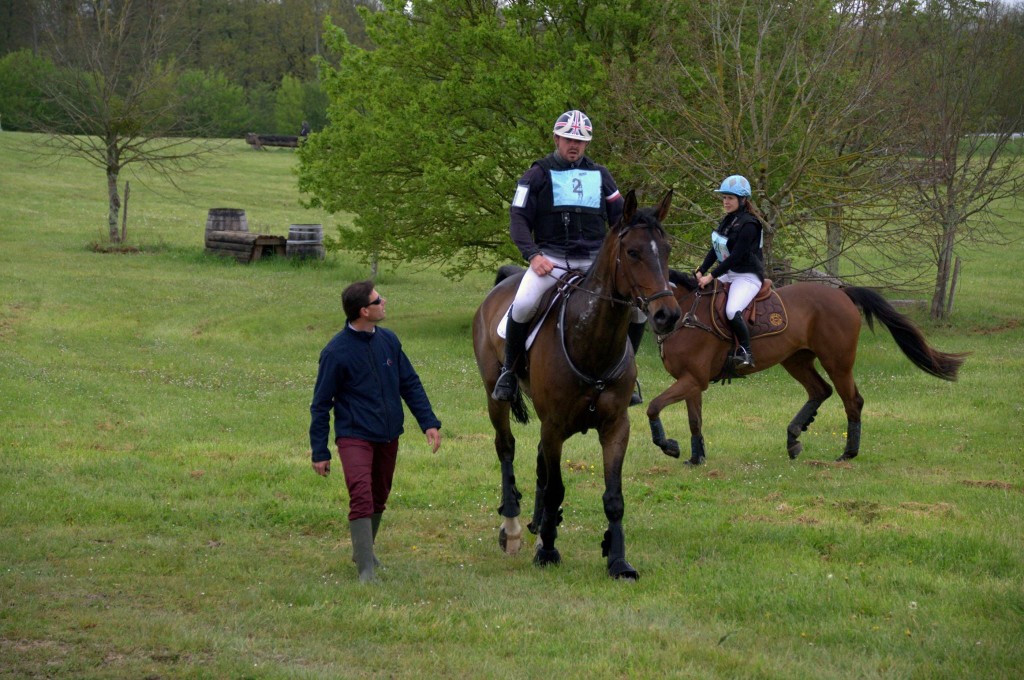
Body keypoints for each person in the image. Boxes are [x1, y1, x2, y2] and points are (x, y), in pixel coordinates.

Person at [492, 109, 647, 404]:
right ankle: (509, 373)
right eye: (567, 139)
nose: (573, 145)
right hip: (550, 261)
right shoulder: (537, 174)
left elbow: (621, 217)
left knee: (637, 311)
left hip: (594, 262)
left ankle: (628, 374)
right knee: (523, 304)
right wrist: (533, 255)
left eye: (580, 141)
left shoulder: (601, 175)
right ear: (556, 139)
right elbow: (518, 219)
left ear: (587, 144)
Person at [309, 280, 442, 583]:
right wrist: (320, 450)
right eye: (378, 300)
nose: (384, 302)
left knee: (380, 496)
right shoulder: (335, 352)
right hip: (354, 435)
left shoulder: (389, 341)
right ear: (363, 311)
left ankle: (363, 551)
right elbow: (320, 405)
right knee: (362, 494)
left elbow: (409, 383)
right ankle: (366, 571)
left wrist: (429, 422)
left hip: (388, 434)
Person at [695, 174, 766, 369]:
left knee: (731, 310)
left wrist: (712, 275)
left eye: (730, 198)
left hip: (748, 276)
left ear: (742, 200)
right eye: (724, 197)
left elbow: (734, 256)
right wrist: (701, 269)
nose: (726, 201)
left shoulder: (750, 225)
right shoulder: (728, 220)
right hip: (730, 272)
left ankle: (746, 352)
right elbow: (716, 249)